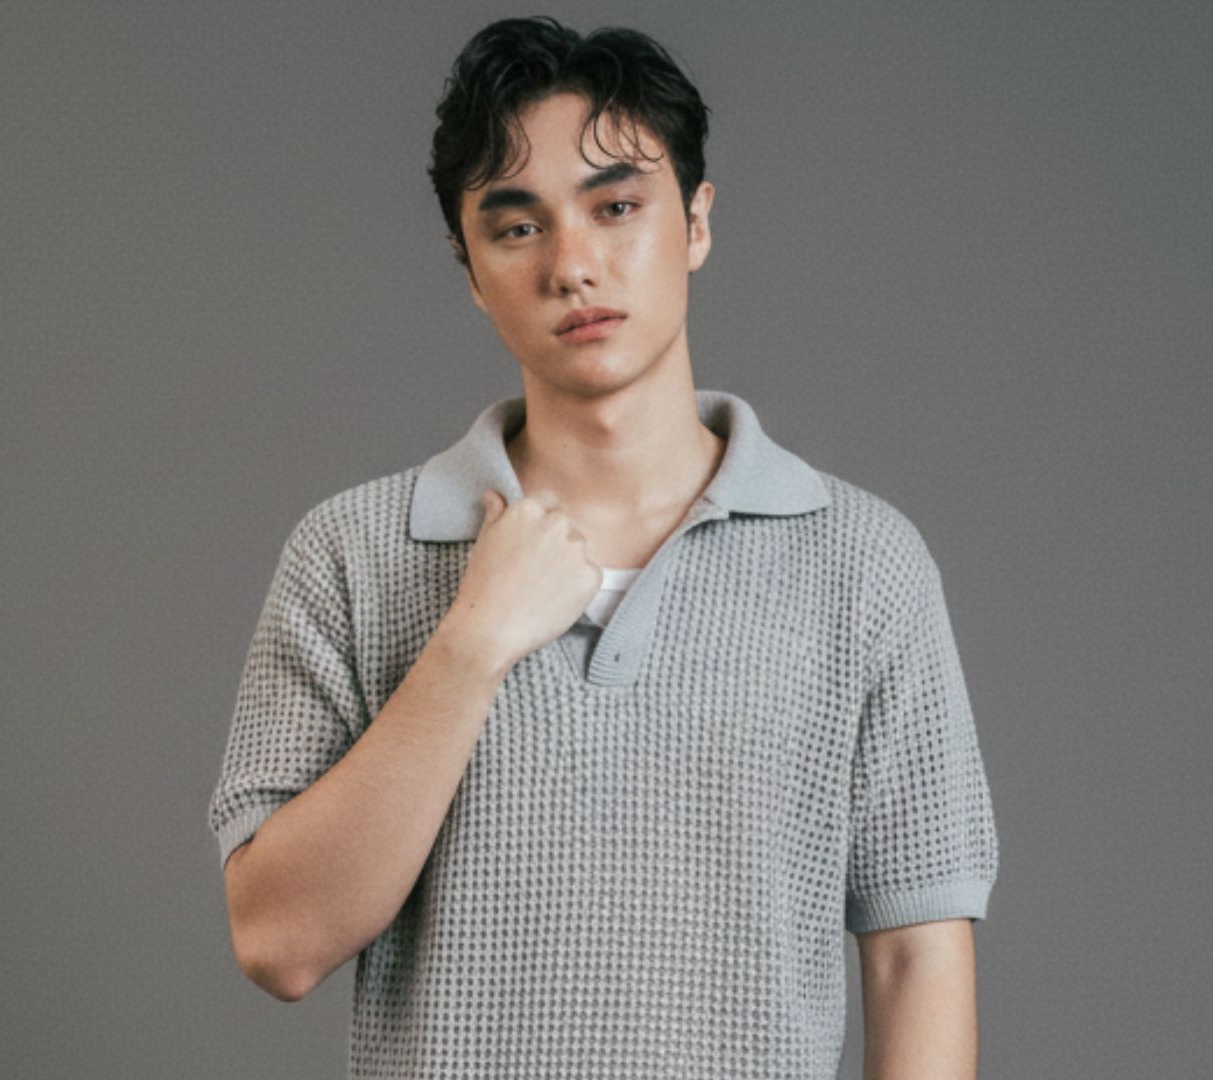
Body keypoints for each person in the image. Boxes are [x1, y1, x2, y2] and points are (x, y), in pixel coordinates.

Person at [208, 16, 998, 1079]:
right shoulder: (353, 553)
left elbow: (916, 952)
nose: (573, 265)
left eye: (617, 207)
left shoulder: (862, 562)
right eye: (516, 227)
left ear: (697, 222)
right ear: (470, 269)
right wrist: (471, 645)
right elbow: (278, 942)